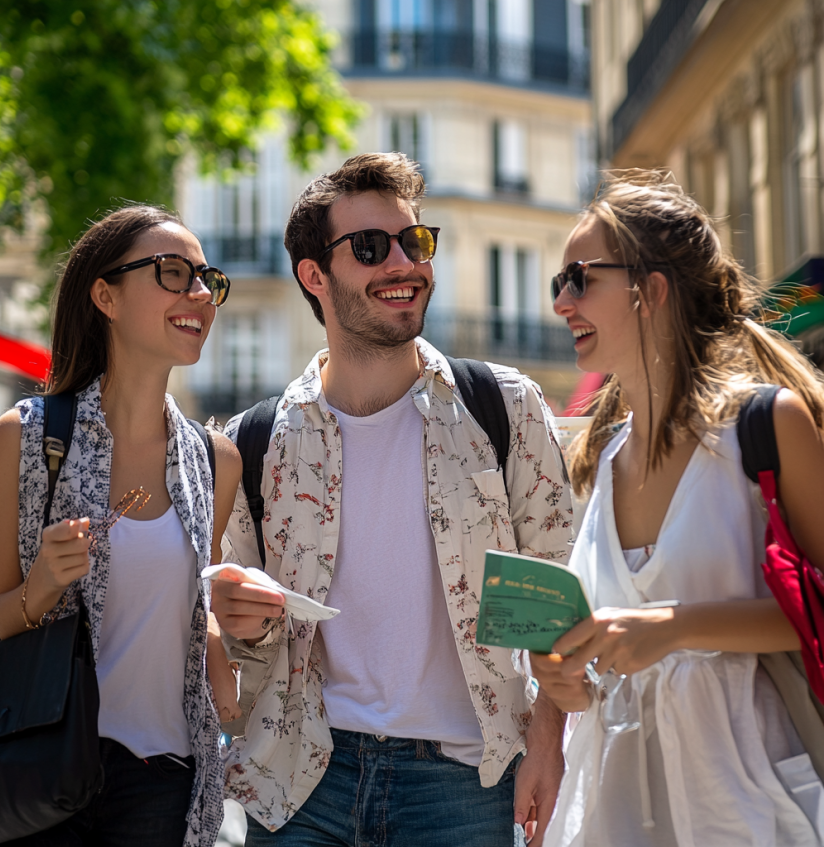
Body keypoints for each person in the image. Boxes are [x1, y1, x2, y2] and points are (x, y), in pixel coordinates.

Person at [210, 152, 573, 847]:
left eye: (416, 241)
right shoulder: (256, 440)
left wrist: (547, 742)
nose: (405, 264)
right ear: (314, 276)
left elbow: (554, 595)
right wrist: (242, 624)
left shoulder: (502, 407)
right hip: (303, 781)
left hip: (464, 781)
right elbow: (248, 653)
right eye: (371, 247)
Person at [532, 171, 824, 846]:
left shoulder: (765, 425)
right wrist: (566, 678)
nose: (561, 303)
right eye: (558, 283)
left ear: (652, 289)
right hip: (615, 811)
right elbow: (603, 660)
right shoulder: (601, 459)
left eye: (579, 279)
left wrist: (674, 626)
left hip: (748, 809)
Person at [0, 205, 243, 846]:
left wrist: (226, 639)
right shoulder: (27, 438)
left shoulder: (216, 460)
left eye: (207, 279)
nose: (199, 294)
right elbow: (1, 621)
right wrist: (45, 582)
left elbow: (194, 610)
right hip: (42, 768)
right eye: (174, 272)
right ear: (106, 296)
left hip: (165, 779)